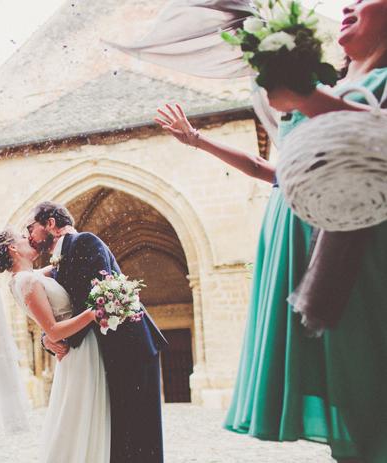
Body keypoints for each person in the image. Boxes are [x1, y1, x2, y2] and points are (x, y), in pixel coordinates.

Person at [154, 2, 387, 461]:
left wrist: (304, 96)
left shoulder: (360, 86)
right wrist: (195, 139)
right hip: (297, 243)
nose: (348, 4)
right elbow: (270, 170)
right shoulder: (330, 87)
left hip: (358, 240)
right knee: (341, 385)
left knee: (367, 370)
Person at [27, 202, 167, 463]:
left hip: (131, 346)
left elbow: (94, 299)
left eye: (31, 227)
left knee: (138, 431)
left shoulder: (85, 242)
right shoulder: (60, 260)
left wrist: (58, 338)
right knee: (118, 432)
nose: (29, 235)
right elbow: (65, 311)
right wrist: (49, 338)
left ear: (50, 224)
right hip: (108, 352)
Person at [0, 229, 109, 462]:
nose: (29, 239)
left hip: (80, 348)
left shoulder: (27, 277)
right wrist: (93, 313)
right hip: (78, 350)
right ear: (13, 248)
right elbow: (54, 330)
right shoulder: (27, 282)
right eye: (23, 238)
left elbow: (55, 271)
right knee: (79, 419)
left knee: (79, 419)